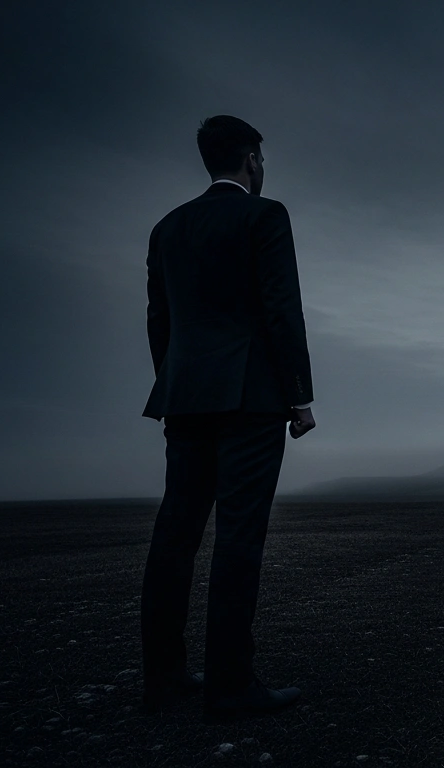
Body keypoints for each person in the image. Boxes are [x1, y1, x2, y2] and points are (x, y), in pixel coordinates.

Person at [138, 115, 317, 723]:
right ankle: (230, 684)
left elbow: (158, 321)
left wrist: (177, 381)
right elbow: (280, 309)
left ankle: (162, 677)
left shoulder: (168, 227)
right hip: (251, 398)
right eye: (261, 160)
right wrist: (299, 395)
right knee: (239, 538)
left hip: (185, 398)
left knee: (175, 536)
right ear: (252, 159)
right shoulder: (264, 216)